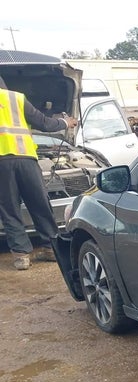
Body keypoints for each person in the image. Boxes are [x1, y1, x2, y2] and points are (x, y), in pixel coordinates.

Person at [0, 75, 78, 270]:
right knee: (39, 203)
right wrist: (65, 122)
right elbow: (44, 123)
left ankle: (21, 256)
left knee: (10, 210)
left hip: (1, 165)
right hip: (26, 159)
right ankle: (52, 248)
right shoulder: (15, 98)